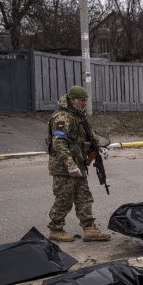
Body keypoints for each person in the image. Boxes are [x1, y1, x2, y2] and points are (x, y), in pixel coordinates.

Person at [46, 85, 111, 242]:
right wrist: (70, 165)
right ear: (72, 100)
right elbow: (59, 143)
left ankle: (89, 228)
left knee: (84, 197)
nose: (84, 104)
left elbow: (91, 134)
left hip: (79, 164)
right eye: (82, 101)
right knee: (64, 198)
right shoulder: (62, 118)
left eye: (86, 101)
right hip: (64, 167)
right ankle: (55, 229)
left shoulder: (78, 115)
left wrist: (100, 146)